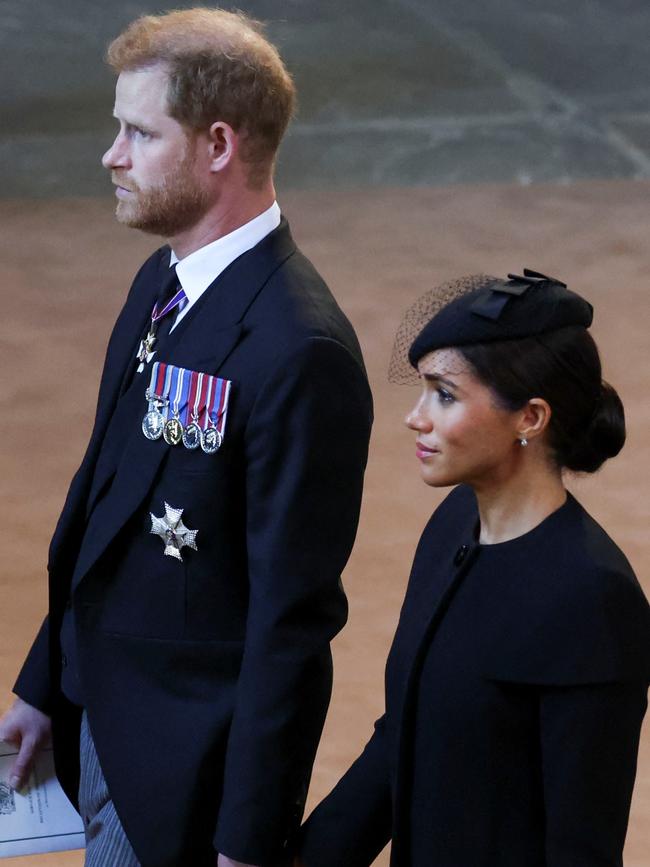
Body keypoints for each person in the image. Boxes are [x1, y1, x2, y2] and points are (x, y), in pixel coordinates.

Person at [0, 9, 372, 867]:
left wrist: (247, 838)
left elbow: (292, 624)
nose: (111, 155)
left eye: (138, 131)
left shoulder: (298, 350)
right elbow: (106, 500)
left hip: (181, 783)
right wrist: (46, 681)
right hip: (99, 719)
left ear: (216, 145)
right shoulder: (162, 282)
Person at [298, 269, 650, 866]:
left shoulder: (592, 597)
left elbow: (581, 847)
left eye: (445, 394)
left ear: (530, 418)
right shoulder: (451, 527)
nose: (416, 417)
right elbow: (405, 736)